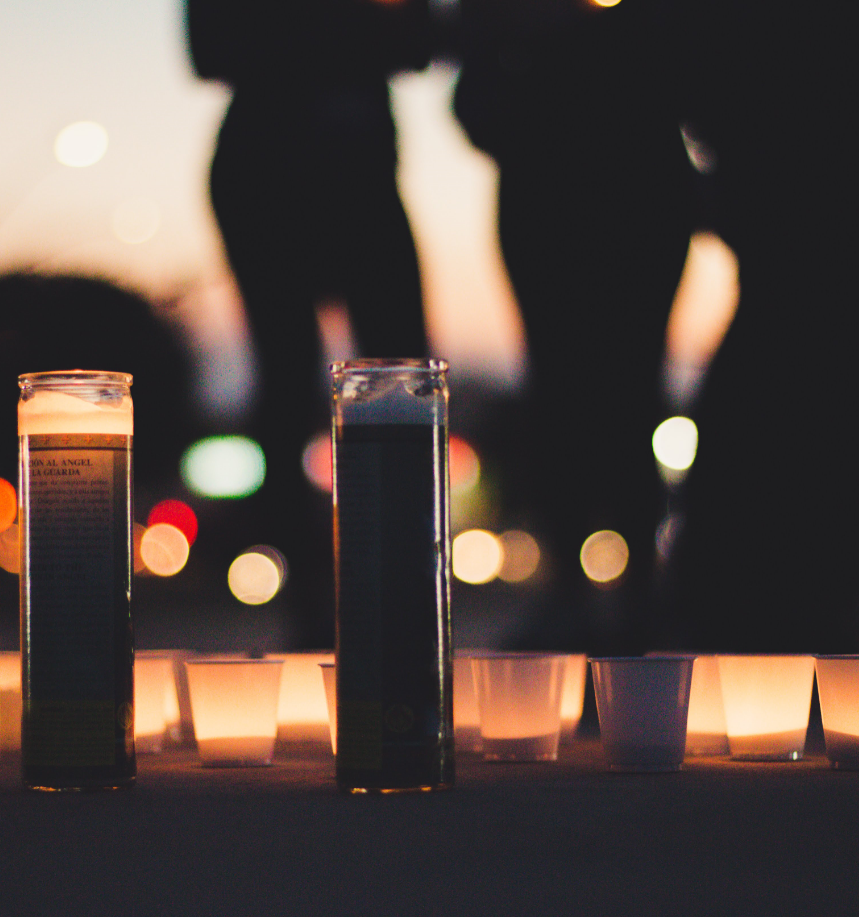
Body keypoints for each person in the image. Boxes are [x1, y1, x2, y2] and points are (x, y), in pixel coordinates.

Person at [669, 0, 859, 651]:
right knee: (826, 381)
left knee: (835, 383)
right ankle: (752, 592)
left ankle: (776, 592)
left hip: (831, 174)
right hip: (817, 174)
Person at [187, 0, 434, 647]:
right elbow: (209, 48)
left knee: (402, 381)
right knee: (290, 380)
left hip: (350, 169)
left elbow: (422, 40)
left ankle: (399, 585)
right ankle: (313, 603)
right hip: (268, 167)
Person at [452, 0, 697, 652]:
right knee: (565, 388)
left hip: (629, 183)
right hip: (561, 185)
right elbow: (472, 88)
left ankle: (629, 591)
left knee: (625, 385)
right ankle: (582, 591)